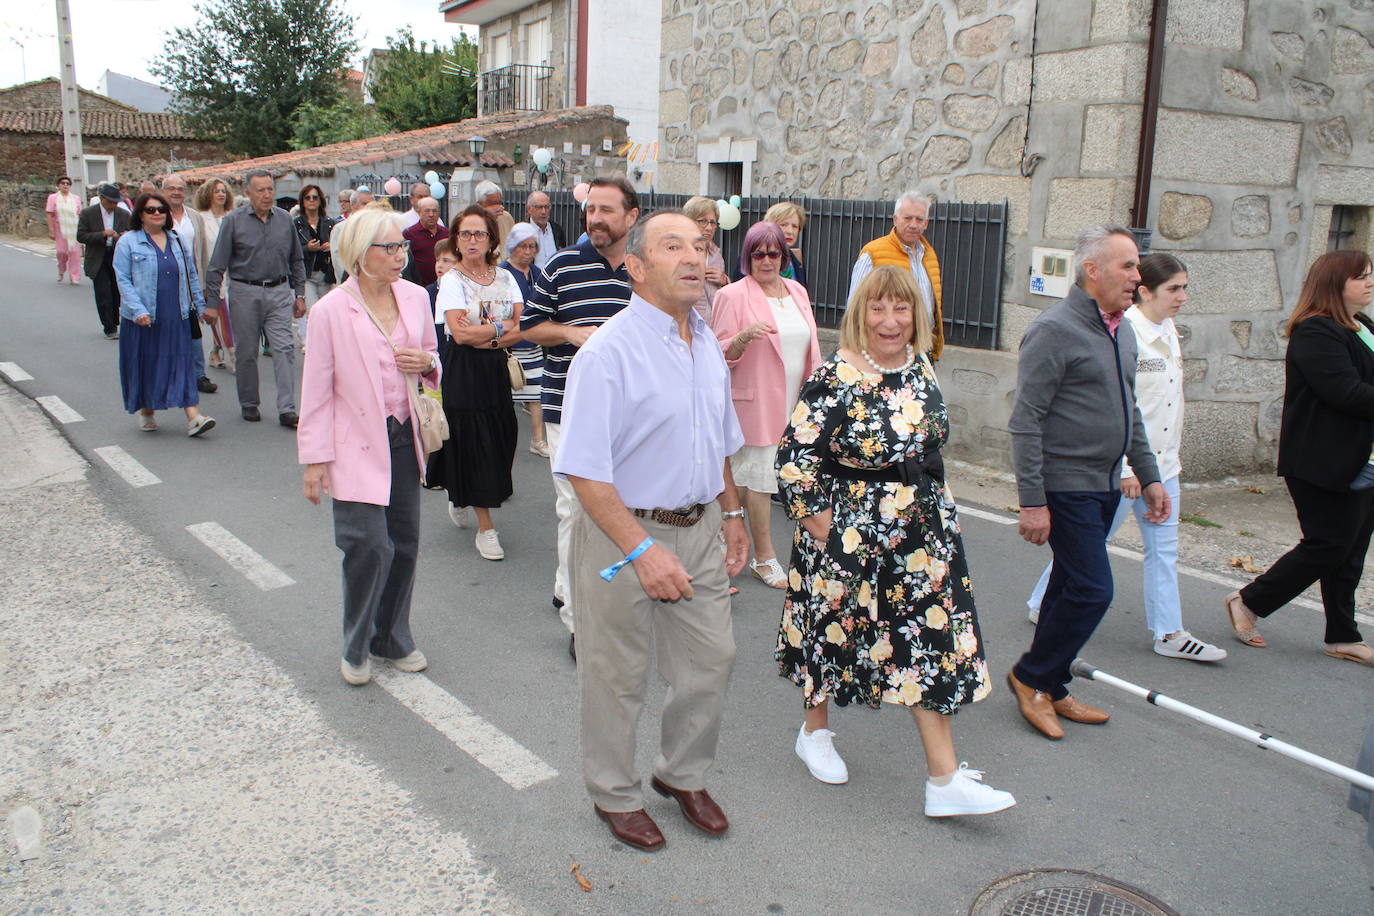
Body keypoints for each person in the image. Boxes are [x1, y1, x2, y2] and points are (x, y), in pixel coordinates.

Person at [775, 265, 1014, 816]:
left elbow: (927, 450)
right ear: (862, 313)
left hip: (921, 535)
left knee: (929, 646)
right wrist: (824, 529)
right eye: (878, 308)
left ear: (915, 314)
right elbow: (793, 458)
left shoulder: (920, 364)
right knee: (832, 632)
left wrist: (940, 519)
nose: (890, 321)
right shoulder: (834, 376)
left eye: (901, 309)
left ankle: (944, 779)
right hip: (848, 530)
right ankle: (814, 733)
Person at [555, 208, 749, 852]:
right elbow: (584, 470)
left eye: (699, 244)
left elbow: (718, 440)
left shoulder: (706, 343)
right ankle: (615, 794)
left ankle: (681, 775)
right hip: (622, 533)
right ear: (636, 268)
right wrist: (640, 549)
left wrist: (730, 514)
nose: (694, 257)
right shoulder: (607, 352)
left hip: (698, 530)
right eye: (674, 246)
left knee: (711, 659)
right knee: (616, 673)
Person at [1007, 225, 1169, 741]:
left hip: (1104, 484)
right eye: (1127, 266)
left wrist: (1149, 475)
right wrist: (1032, 502)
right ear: (1091, 271)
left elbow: (1131, 411)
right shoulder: (1054, 329)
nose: (1137, 276)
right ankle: (1031, 677)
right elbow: (1025, 420)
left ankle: (1050, 682)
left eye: (1137, 266)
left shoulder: (1121, 329)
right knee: (1095, 590)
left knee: (1070, 584)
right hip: (1065, 483)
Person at [1026, 253, 1226, 662]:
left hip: (1161, 467)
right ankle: (1043, 608)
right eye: (1174, 288)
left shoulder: (1168, 331)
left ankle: (1169, 633)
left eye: (1185, 287)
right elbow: (1121, 406)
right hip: (1119, 470)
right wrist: (1130, 469)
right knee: (1087, 550)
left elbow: (1162, 407)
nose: (1183, 297)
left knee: (1163, 550)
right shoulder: (1121, 332)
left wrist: (1159, 468)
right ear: (1146, 292)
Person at [298, 206, 441, 687]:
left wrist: (425, 361)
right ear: (361, 254)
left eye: (402, 245)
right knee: (368, 546)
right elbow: (315, 392)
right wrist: (315, 461)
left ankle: (391, 638)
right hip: (353, 443)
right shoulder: (330, 311)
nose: (401, 254)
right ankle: (357, 642)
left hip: (404, 436)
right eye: (391, 247)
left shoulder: (417, 298)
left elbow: (433, 360)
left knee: (404, 544)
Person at [1223, 250, 1374, 666]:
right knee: (1328, 544)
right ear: (1333, 284)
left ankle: (1343, 635)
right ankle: (1248, 600)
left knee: (1351, 549)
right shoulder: (1316, 331)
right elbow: (1344, 392)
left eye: (1370, 275)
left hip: (1364, 459)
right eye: (1360, 276)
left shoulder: (1361, 326)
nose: (1369, 282)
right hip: (1323, 459)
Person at [521, 176, 639, 658]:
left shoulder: (645, 269)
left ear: (631, 216)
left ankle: (564, 584)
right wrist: (572, 334)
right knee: (577, 510)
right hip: (568, 407)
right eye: (591, 210)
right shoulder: (561, 265)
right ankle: (578, 622)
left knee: (620, 508)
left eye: (607, 210)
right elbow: (530, 328)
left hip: (630, 417)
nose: (596, 219)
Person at [711, 221, 821, 589]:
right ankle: (764, 557)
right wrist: (741, 339)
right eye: (758, 253)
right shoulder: (733, 295)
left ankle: (725, 545)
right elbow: (718, 353)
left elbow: (810, 347)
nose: (767, 260)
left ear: (784, 256)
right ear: (747, 257)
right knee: (759, 482)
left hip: (795, 402)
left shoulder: (797, 291)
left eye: (774, 252)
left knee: (752, 481)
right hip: (754, 403)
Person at [431, 204, 523, 562]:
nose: (472, 240)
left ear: (490, 239)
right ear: (456, 238)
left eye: (479, 234)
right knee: (476, 442)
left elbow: (522, 326)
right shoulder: (452, 281)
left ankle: (460, 491)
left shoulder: (505, 277)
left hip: (496, 367)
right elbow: (460, 333)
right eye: (465, 233)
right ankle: (486, 528)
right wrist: (501, 330)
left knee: (503, 437)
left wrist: (491, 337)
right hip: (465, 370)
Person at [204, 168, 307, 428]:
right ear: (247, 192)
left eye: (270, 189)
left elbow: (296, 259)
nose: (267, 195)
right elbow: (217, 265)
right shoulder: (233, 221)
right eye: (260, 190)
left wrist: (300, 294)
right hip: (244, 292)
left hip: (279, 290)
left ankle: (287, 408)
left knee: (284, 348)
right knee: (247, 351)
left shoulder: (284, 219)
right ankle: (249, 402)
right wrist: (212, 304)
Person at [113, 192, 216, 438]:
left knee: (182, 363)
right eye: (151, 210)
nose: (157, 213)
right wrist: (138, 310)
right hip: (144, 317)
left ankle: (194, 417)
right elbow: (123, 280)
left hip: (176, 313)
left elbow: (191, 275)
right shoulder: (128, 242)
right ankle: (147, 410)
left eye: (161, 209)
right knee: (148, 365)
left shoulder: (177, 240)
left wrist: (200, 306)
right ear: (140, 214)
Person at [849, 191, 945, 360]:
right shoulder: (873, 252)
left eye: (919, 219)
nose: (914, 224)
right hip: (884, 349)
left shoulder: (929, 255)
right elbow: (854, 307)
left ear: (926, 223)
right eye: (908, 218)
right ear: (895, 219)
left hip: (922, 349)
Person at [161, 174, 216, 395]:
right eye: (171, 188)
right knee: (166, 330)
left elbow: (201, 253)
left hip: (191, 283)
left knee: (193, 329)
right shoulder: (157, 216)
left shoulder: (194, 217)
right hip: (165, 283)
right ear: (163, 191)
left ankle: (198, 374)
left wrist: (203, 286)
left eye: (180, 189)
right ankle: (169, 373)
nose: (176, 192)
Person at [499, 222, 548, 456]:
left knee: (537, 394)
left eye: (532, 247)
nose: (528, 252)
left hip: (533, 342)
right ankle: (504, 441)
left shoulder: (538, 272)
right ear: (512, 247)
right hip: (510, 343)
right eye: (523, 247)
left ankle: (538, 440)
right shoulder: (503, 272)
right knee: (506, 397)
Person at [76, 183, 132, 339]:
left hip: (117, 256)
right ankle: (109, 327)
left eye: (116, 201)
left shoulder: (123, 214)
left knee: (116, 291)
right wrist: (102, 234)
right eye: (111, 201)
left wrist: (122, 235)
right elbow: (81, 236)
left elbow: (131, 233)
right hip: (98, 257)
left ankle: (114, 319)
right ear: (102, 199)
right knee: (103, 293)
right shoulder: (88, 213)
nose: (114, 204)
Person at [193, 178, 236, 372]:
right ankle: (233, 356)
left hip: (234, 275)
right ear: (207, 195)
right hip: (213, 275)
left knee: (231, 317)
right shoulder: (200, 219)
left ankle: (215, 350)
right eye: (216, 191)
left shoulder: (233, 217)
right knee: (220, 317)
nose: (221, 194)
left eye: (223, 191)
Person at [293, 183, 337, 350]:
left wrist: (330, 247)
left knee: (326, 312)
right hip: (307, 275)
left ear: (320, 201)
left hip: (325, 273)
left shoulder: (329, 223)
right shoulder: (296, 224)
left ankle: (324, 343)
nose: (311, 201)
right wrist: (307, 248)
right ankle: (314, 344)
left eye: (315, 197)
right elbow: (291, 250)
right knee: (314, 311)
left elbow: (338, 245)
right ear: (303, 202)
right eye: (308, 197)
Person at [683, 196, 728, 323]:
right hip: (686, 327)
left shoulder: (716, 254)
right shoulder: (678, 254)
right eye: (702, 221)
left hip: (713, 329)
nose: (709, 228)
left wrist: (725, 281)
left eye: (713, 222)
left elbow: (724, 296)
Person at [401, 197, 449, 287]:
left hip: (444, 284)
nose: (431, 214)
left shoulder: (446, 233)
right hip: (419, 287)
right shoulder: (409, 234)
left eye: (434, 211)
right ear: (419, 212)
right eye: (427, 211)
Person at [46, 176, 82, 285]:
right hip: (60, 228)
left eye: (68, 183)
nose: (65, 185)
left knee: (75, 253)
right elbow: (49, 214)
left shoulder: (76, 198)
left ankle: (74, 276)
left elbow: (79, 214)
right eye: (63, 183)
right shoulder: (53, 197)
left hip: (74, 229)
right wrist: (51, 230)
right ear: (58, 185)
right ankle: (61, 270)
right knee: (61, 252)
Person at [764, 201, 808, 289]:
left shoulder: (795, 262)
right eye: (783, 225)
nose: (790, 231)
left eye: (795, 226)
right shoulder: (754, 257)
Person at [525, 190, 565, 269]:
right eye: (539, 207)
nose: (544, 211)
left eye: (547, 207)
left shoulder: (557, 230)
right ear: (529, 209)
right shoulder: (523, 232)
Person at [475, 180, 515, 250]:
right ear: (479, 204)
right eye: (492, 204)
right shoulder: (471, 221)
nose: (498, 207)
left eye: (499, 203)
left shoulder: (506, 218)